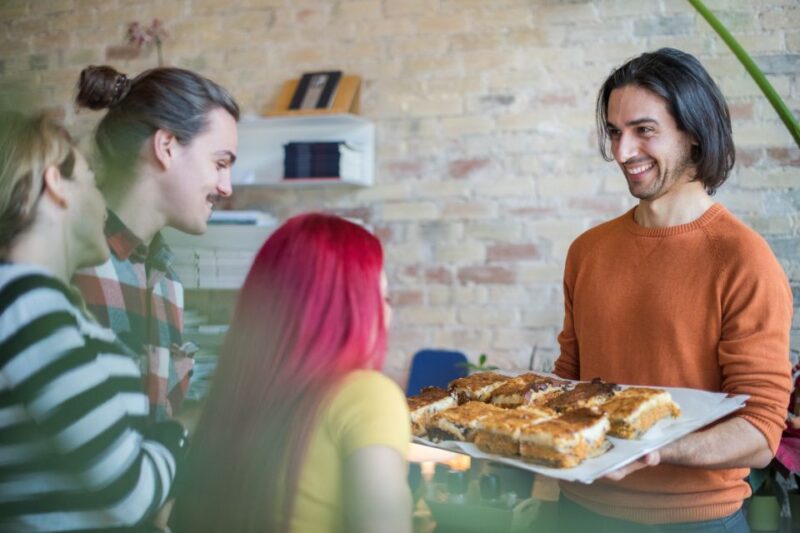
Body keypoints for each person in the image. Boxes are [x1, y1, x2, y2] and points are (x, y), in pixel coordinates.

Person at [553, 48, 793, 531]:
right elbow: (570, 380)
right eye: (615, 133)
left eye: (644, 131)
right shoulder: (588, 250)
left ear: (695, 133)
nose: (623, 153)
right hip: (577, 513)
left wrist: (656, 451)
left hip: (696, 521)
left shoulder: (743, 258)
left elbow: (762, 431)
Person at [0, 110, 184, 530]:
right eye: (89, 178)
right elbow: (131, 494)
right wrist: (180, 435)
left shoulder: (36, 302)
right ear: (56, 185)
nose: (102, 200)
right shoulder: (27, 303)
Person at [172, 213, 412, 533]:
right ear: (351, 306)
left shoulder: (219, 405)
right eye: (382, 296)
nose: (388, 310)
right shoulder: (367, 396)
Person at [72, 65, 240, 421]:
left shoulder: (166, 281)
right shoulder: (69, 259)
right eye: (220, 163)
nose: (227, 187)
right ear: (166, 147)